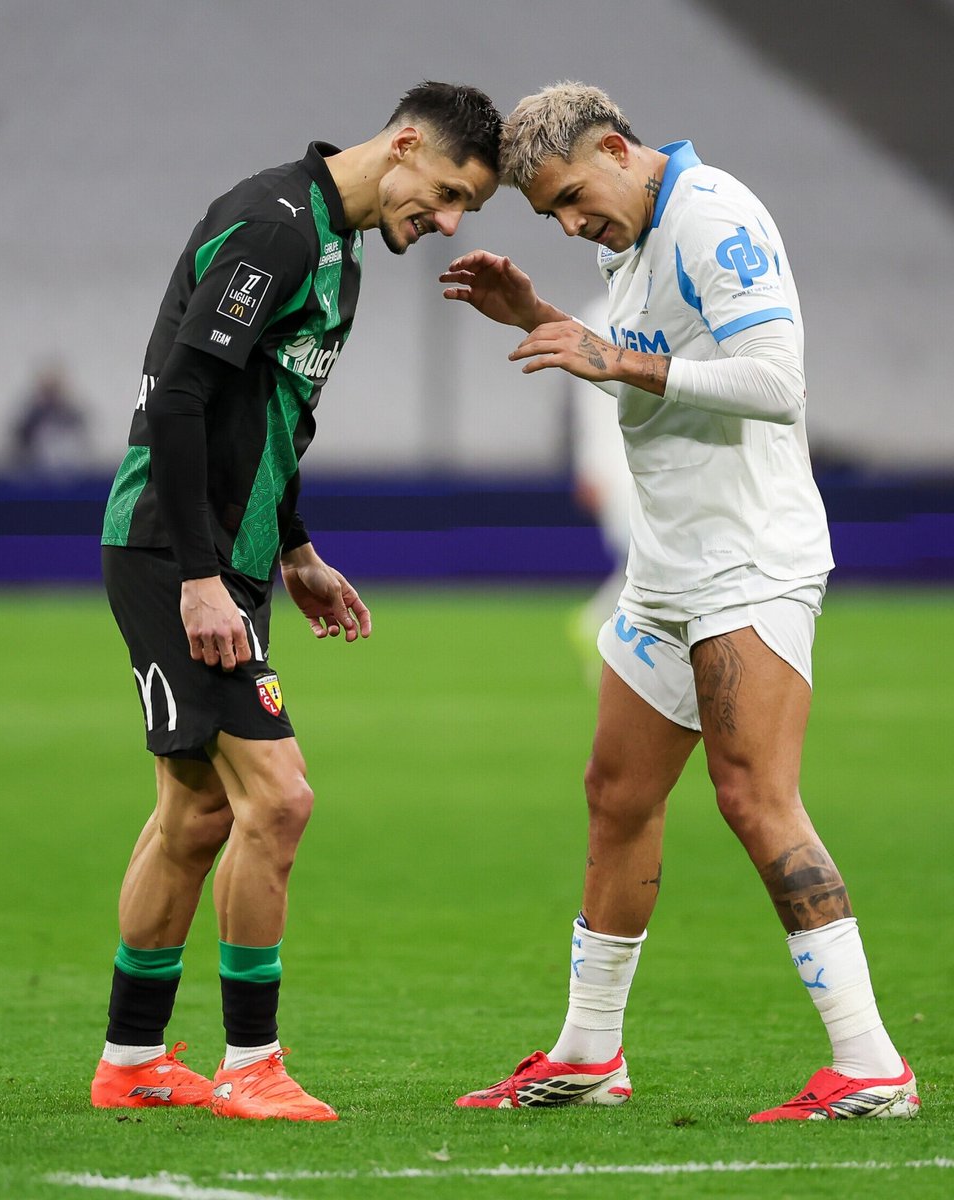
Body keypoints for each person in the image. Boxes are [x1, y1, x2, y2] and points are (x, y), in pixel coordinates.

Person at [440, 83, 918, 1122]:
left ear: (615, 147)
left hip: (748, 560)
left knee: (755, 799)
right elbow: (657, 379)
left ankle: (873, 1066)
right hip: (669, 568)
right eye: (551, 218)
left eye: (571, 198)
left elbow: (775, 379)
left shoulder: (712, 214)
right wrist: (544, 320)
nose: (571, 226)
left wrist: (614, 353)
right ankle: (588, 1055)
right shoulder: (634, 238)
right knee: (616, 794)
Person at [93, 81, 501, 1121]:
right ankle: (251, 1066)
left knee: (192, 815)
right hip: (176, 552)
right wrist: (198, 576)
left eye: (466, 211)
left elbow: (269, 418)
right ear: (404, 144)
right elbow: (180, 395)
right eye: (449, 192)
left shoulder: (339, 254)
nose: (446, 223)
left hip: (229, 556)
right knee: (278, 800)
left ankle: (132, 1062)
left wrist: (300, 550)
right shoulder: (272, 227)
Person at [563, 295, 632, 685]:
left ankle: (599, 629)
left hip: (630, 467)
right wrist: (590, 466)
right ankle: (599, 626)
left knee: (642, 565)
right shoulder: (599, 317)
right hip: (622, 470)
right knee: (646, 565)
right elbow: (590, 405)